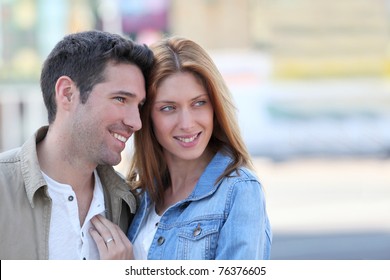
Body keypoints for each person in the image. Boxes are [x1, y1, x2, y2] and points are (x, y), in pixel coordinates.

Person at [0, 30, 153, 260]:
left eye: (139, 105)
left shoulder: (131, 205)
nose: (136, 122)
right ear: (67, 94)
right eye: (121, 99)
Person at [126, 36, 272, 259]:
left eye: (199, 103)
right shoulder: (137, 196)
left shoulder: (239, 191)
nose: (187, 123)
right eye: (168, 108)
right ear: (147, 116)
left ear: (215, 107)